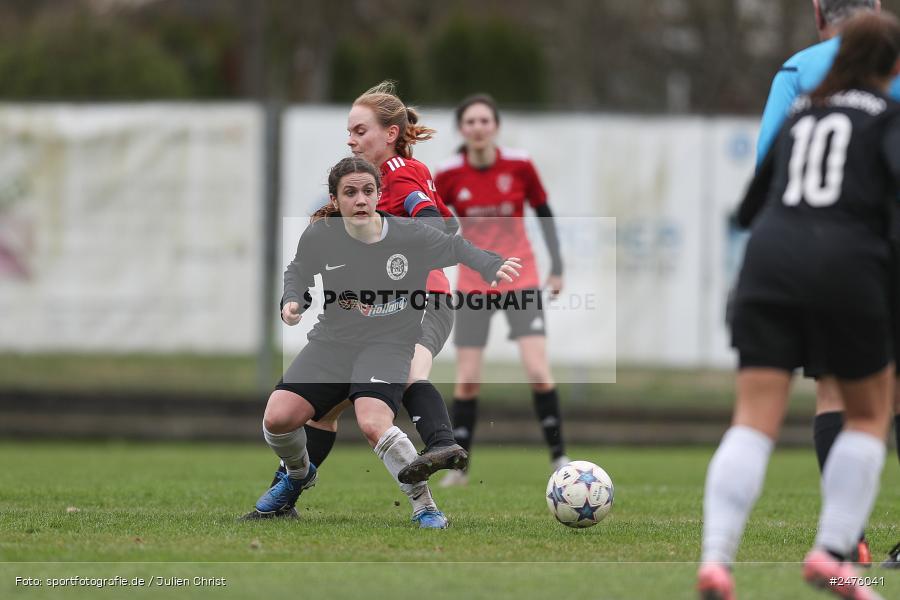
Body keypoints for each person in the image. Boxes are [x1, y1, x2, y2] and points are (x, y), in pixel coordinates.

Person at [698, 12, 900, 599]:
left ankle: (716, 561)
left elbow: (746, 210)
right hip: (849, 267)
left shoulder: (800, 110)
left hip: (768, 265)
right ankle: (832, 553)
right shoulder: (887, 116)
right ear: (891, 66)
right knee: (870, 412)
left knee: (753, 420)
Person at [248, 156, 521, 528]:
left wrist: (490, 264)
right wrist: (293, 299)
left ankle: (425, 506)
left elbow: (455, 248)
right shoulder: (322, 235)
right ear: (335, 198)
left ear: (378, 195)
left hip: (389, 344)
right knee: (277, 418)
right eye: (350, 193)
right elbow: (298, 270)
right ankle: (298, 474)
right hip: (333, 342)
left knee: (373, 422)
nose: (360, 199)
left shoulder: (409, 235)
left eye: (368, 191)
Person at [252, 81, 472, 521]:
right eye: (348, 132)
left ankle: (441, 447)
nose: (350, 139)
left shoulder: (399, 172)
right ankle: (288, 494)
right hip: (364, 316)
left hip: (420, 299)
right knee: (322, 412)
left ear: (389, 133)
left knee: (406, 377)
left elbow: (437, 227)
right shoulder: (375, 178)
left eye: (359, 130)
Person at [756, 0, 900, 568]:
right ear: (881, 10)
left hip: (815, 250)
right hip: (885, 245)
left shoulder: (796, 71)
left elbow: (769, 164)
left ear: (820, 12)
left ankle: (847, 539)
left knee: (833, 393)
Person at [433, 94, 569, 487]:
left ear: (495, 126)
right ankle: (460, 467)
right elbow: (435, 223)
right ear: (462, 130)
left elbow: (544, 213)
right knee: (468, 378)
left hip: (521, 279)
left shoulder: (520, 164)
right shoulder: (448, 173)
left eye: (484, 121)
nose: (477, 127)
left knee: (538, 370)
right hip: (475, 283)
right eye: (470, 122)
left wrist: (557, 268)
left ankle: (559, 456)